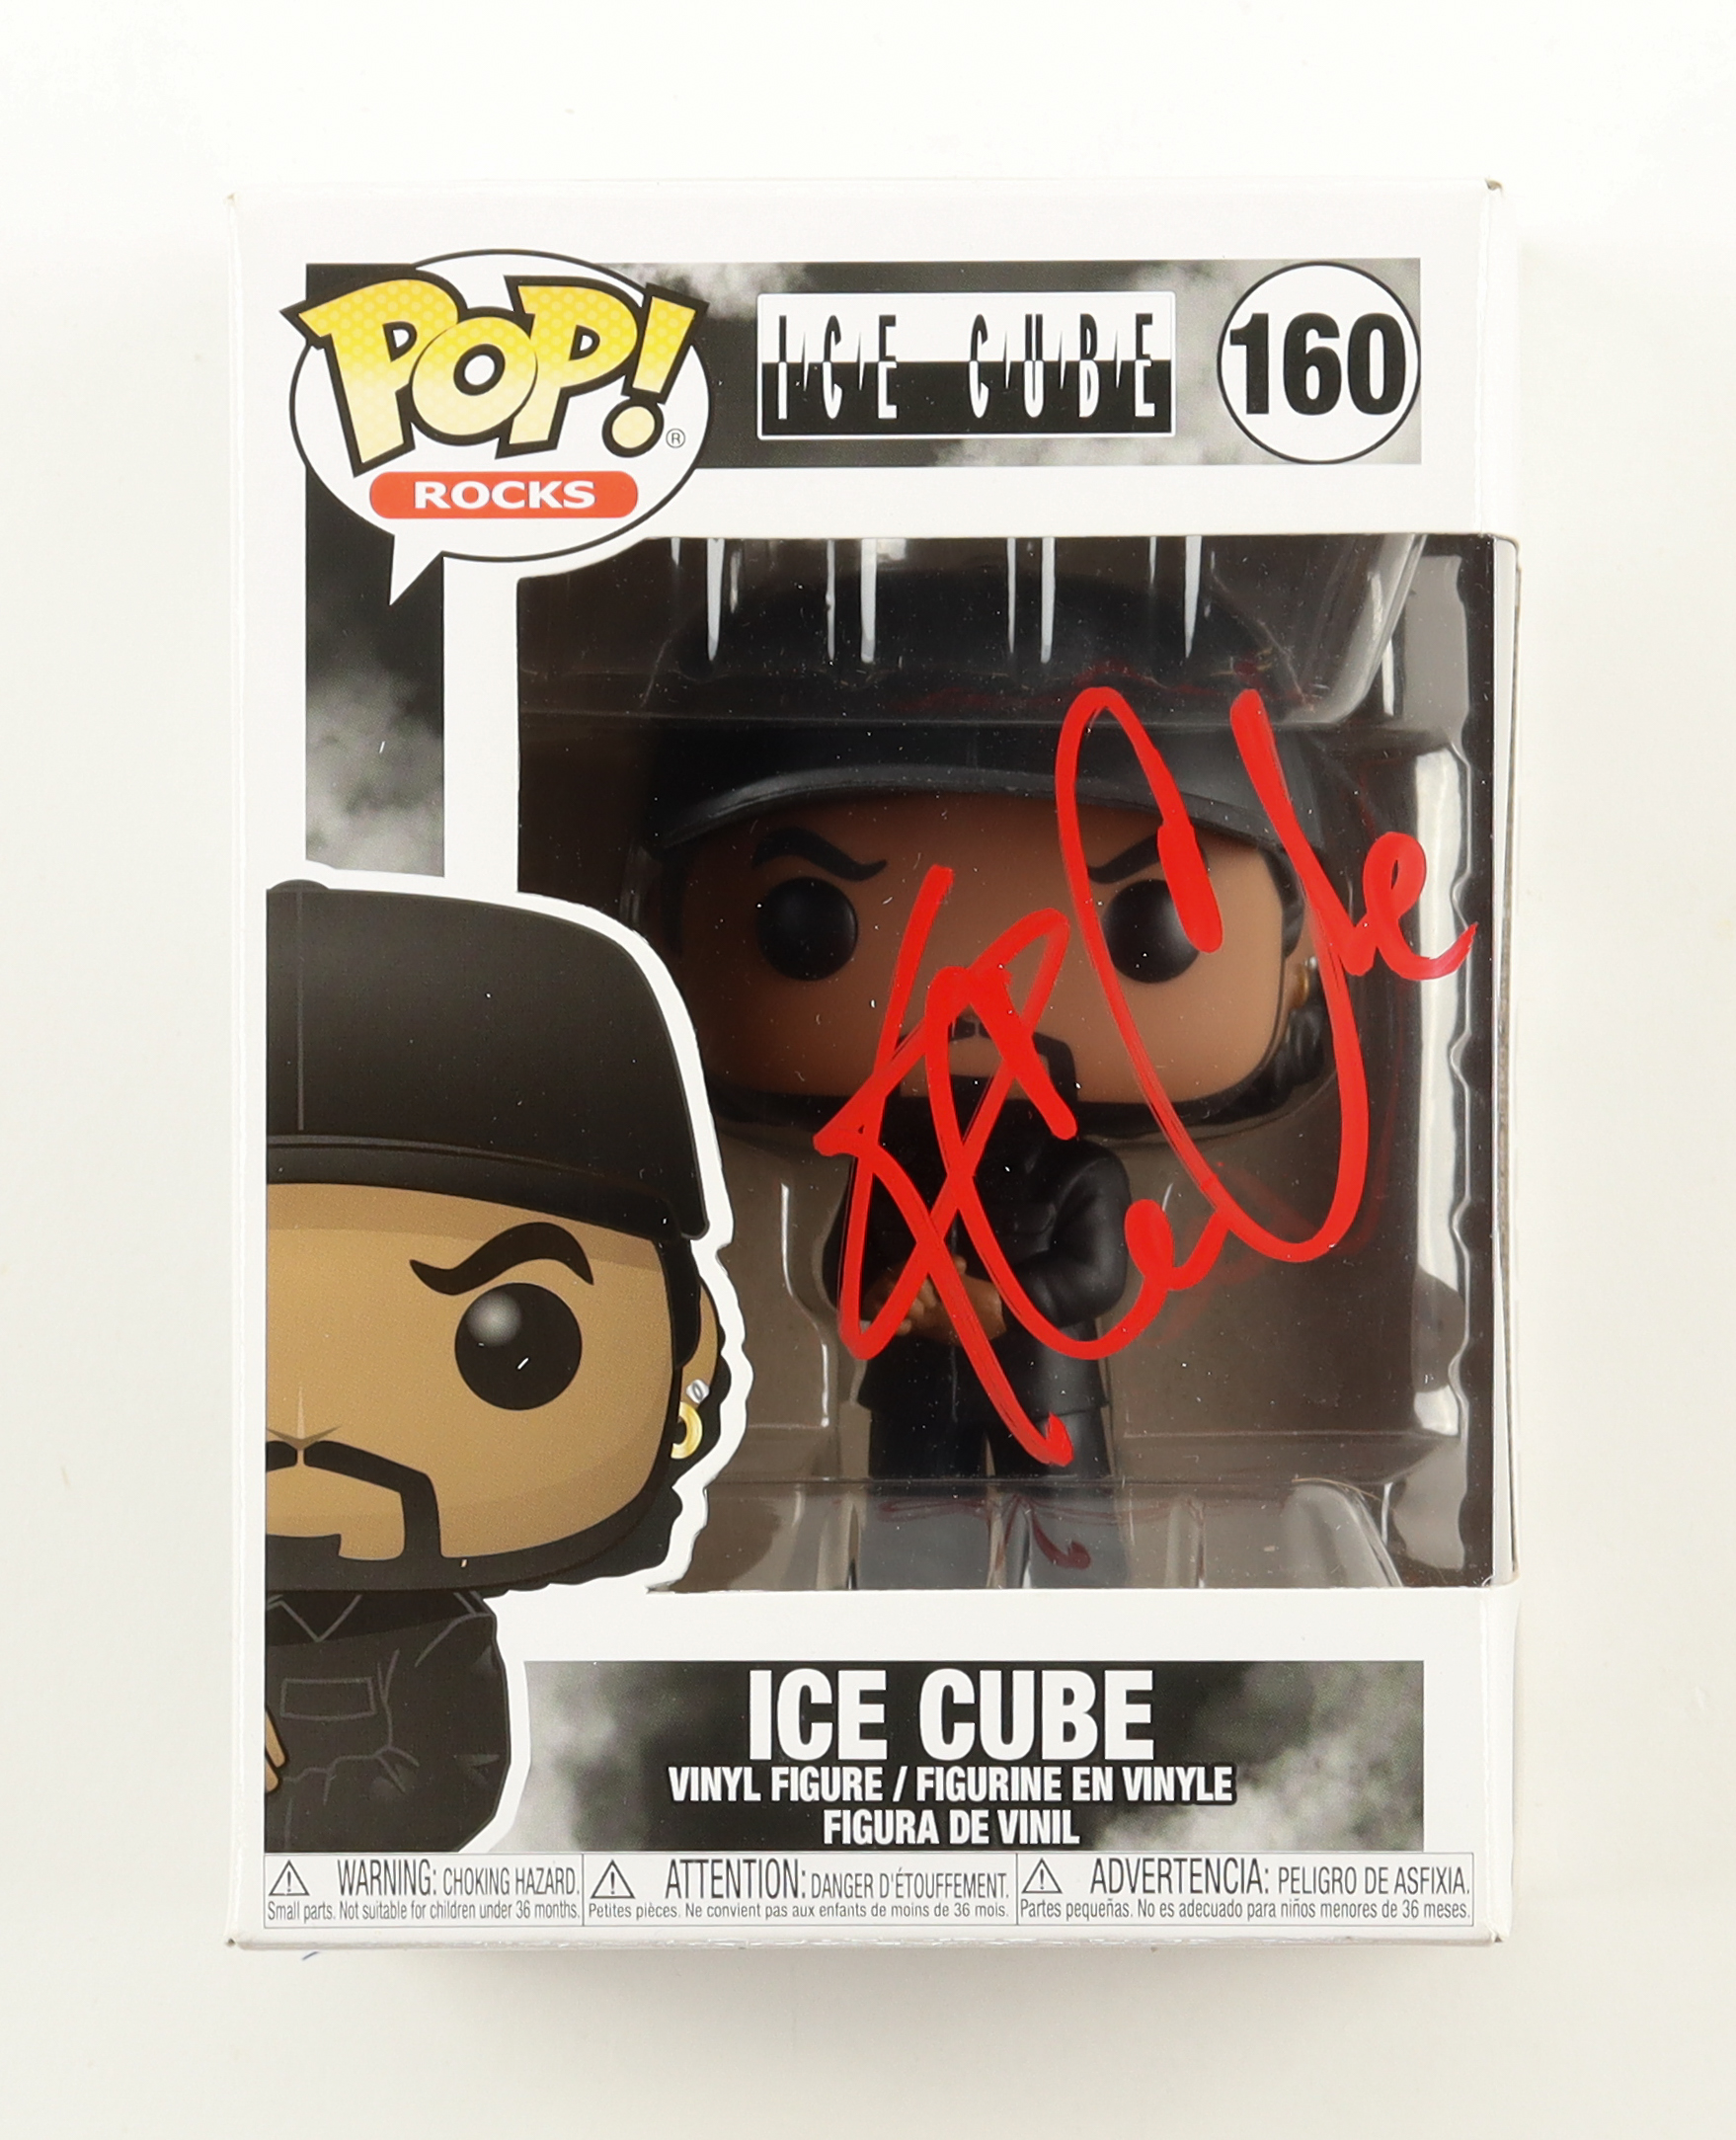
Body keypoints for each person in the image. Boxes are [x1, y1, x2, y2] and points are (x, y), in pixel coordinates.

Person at [635, 553, 1326, 1502]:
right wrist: (891, 1297)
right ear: (667, 931)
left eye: (1149, 925)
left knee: (1070, 1530)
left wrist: (1000, 1303)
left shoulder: (1078, 1169)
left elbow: (1097, 1271)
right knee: (911, 1531)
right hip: (917, 1389)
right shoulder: (893, 1164)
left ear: (1300, 958)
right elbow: (846, 1265)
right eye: (809, 922)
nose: (985, 987)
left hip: (1047, 1388)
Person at [264, 881, 726, 1849]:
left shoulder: (440, 1635)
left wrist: (276, 1795)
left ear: (694, 1348)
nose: (306, 1431)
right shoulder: (178, 1622)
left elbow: (446, 1786)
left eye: (510, 1343)